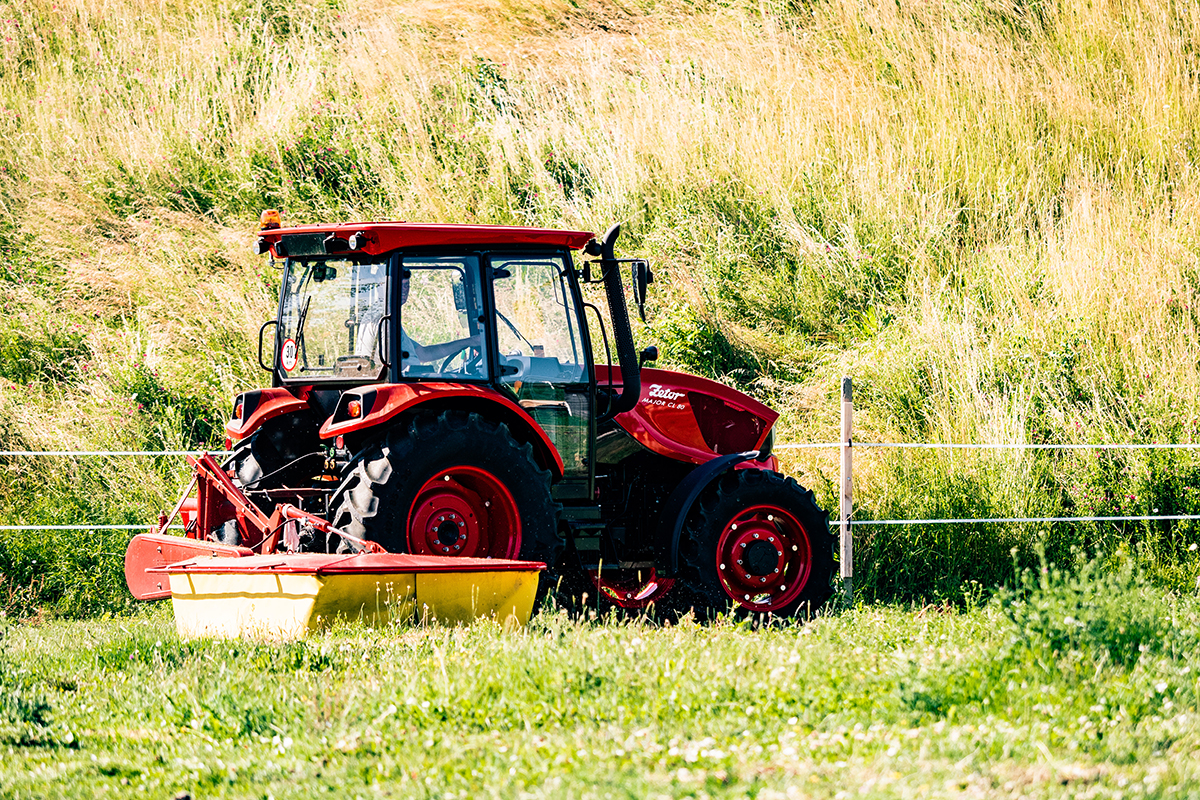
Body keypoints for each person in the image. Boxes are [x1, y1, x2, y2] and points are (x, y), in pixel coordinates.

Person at [399, 274, 480, 368]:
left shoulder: (394, 324)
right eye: (400, 285)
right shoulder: (386, 325)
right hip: (407, 381)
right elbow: (394, 366)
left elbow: (423, 354)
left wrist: (470, 341)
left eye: (406, 284)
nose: (404, 289)